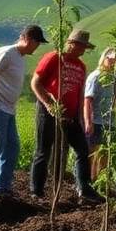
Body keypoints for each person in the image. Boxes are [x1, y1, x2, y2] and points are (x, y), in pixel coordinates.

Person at [0, 24, 49, 196]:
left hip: (8, 110)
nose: (37, 47)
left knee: (12, 147)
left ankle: (2, 187)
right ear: (27, 39)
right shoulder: (7, 52)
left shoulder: (20, 57)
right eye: (36, 42)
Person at [29, 28, 103, 203]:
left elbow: (79, 93)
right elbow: (36, 82)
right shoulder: (54, 57)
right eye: (80, 46)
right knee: (43, 151)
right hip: (48, 112)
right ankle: (36, 192)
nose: (83, 50)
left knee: (82, 150)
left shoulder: (81, 66)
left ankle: (84, 189)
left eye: (85, 47)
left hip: (70, 116)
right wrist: (48, 103)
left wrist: (79, 117)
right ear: (70, 43)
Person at [83, 47, 116, 182]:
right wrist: (88, 121)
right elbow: (87, 100)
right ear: (107, 59)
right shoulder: (96, 76)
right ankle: (89, 183)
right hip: (96, 121)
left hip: (111, 122)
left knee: (106, 154)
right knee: (92, 155)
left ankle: (102, 184)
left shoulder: (113, 78)